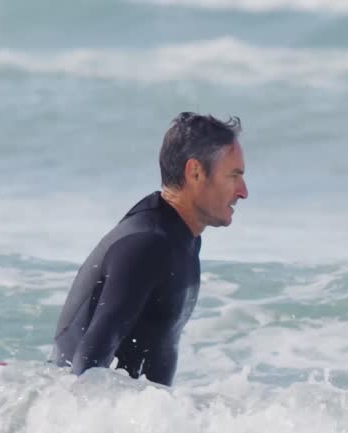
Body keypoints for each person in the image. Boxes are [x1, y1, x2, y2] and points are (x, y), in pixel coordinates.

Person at [50, 113, 248, 386]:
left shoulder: (182, 240)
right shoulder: (147, 245)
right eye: (234, 176)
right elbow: (86, 370)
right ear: (195, 172)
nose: (243, 191)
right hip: (74, 405)